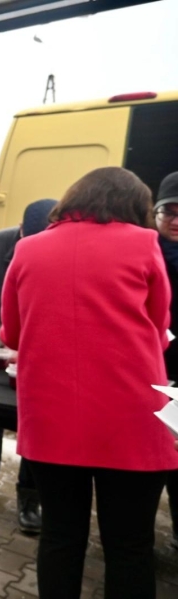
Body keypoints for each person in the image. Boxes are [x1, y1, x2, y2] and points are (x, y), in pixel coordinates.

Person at [0, 167, 178, 599]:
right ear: (135, 207)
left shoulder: (27, 248)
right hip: (131, 419)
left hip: (52, 420)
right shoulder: (144, 243)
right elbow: (160, 325)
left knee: (60, 537)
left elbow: (12, 334)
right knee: (130, 545)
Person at [0, 198, 57, 533]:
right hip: (1, 346)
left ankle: (29, 495)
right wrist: (3, 339)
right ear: (20, 231)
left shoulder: (61, 251)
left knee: (36, 420)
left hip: (43, 353)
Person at [153, 171, 178, 550]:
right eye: (168, 211)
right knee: (151, 458)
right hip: (151, 374)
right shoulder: (144, 251)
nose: (176, 220)